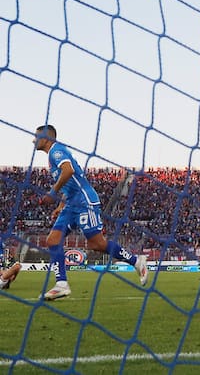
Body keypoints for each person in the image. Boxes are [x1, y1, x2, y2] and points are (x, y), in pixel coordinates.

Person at [33, 125, 148, 300]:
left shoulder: (56, 151)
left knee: (97, 244)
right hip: (72, 203)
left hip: (85, 201)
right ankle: (61, 284)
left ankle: (136, 261)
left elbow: (69, 170)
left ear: (46, 138)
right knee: (52, 240)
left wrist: (52, 192)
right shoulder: (51, 157)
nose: (34, 140)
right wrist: (61, 205)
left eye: (37, 136)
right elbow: (71, 182)